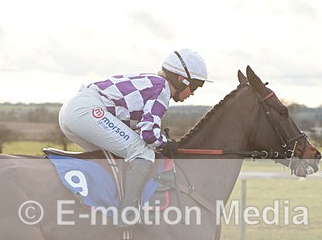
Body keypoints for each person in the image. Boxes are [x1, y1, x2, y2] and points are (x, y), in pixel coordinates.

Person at [58, 49, 209, 225]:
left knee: (116, 160)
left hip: (73, 111)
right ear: (182, 80)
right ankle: (127, 214)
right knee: (143, 153)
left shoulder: (154, 82)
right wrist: (166, 144)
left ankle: (105, 207)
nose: (192, 93)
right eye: (195, 87)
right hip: (86, 111)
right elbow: (148, 134)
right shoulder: (162, 89)